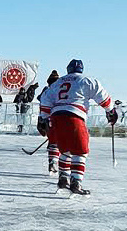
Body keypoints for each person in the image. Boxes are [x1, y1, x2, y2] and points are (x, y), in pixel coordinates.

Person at [38, 59, 117, 195]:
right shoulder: (86, 80)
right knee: (80, 151)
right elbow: (102, 95)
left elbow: (45, 99)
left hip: (57, 117)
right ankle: (76, 182)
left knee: (65, 150)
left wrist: (43, 118)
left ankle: (63, 178)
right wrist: (110, 110)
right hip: (74, 116)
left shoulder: (58, 82)